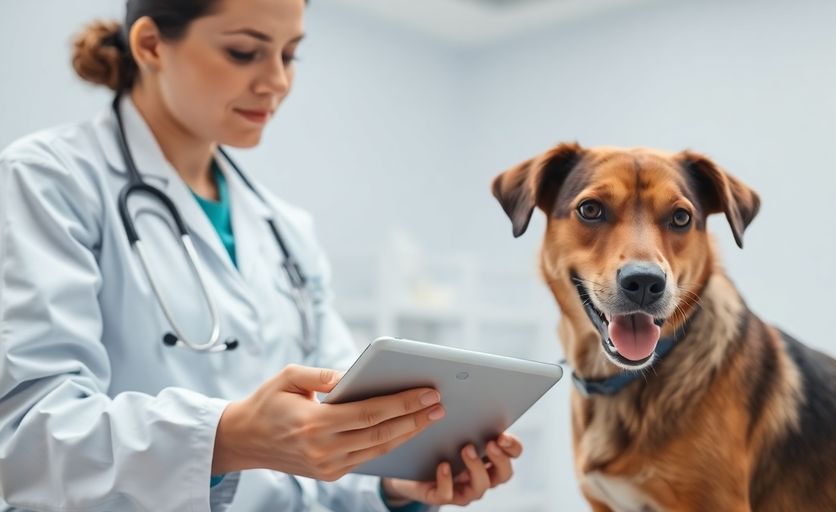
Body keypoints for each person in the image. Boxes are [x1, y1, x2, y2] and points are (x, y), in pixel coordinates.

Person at [0, 0, 522, 510]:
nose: (276, 81)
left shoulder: (284, 230)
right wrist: (227, 438)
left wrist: (394, 485)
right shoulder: (48, 180)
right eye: (244, 52)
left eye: (289, 54)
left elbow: (328, 439)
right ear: (152, 45)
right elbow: (27, 440)